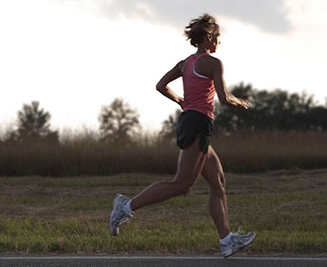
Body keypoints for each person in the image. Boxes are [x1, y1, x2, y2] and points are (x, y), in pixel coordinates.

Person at [109, 14, 256, 258]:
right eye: (217, 37)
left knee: (218, 182)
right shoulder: (213, 63)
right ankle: (126, 206)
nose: (218, 42)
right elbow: (223, 97)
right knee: (183, 185)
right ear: (209, 37)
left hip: (193, 121)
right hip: (198, 123)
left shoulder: (185, 64)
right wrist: (240, 102)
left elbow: (160, 85)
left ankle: (227, 240)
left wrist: (180, 100)